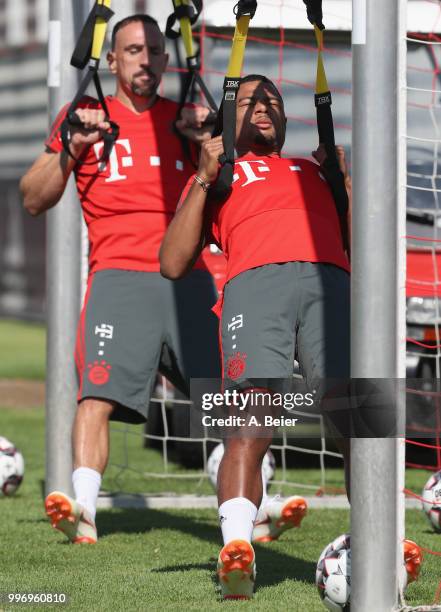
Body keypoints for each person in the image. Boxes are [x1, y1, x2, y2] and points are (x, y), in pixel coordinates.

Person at [20, 14, 221, 544]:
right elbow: (33, 198)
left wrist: (208, 144)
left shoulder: (189, 120)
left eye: (155, 50)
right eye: (133, 50)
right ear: (111, 60)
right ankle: (82, 510)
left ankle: (255, 505)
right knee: (96, 398)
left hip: (190, 277)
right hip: (118, 277)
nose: (147, 60)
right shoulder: (85, 116)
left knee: (227, 398)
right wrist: (72, 147)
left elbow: (230, 197)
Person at [160, 74, 351, 599]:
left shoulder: (316, 172)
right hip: (255, 289)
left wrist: (346, 187)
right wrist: (201, 178)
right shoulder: (221, 175)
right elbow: (173, 262)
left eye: (273, 100)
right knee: (250, 419)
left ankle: (377, 542)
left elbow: (356, 244)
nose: (264, 107)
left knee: (356, 420)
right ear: (228, 118)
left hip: (329, 283)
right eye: (249, 101)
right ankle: (236, 552)